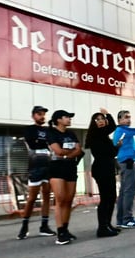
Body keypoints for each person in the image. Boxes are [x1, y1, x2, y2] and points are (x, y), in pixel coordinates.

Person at [17, 105, 57, 239]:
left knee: (47, 197)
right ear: (33, 116)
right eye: (39, 114)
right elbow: (33, 144)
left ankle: (44, 226)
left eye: (44, 114)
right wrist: (44, 142)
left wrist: (45, 142)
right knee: (32, 198)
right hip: (35, 167)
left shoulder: (49, 130)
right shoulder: (29, 129)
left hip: (48, 166)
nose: (42, 116)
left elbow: (53, 144)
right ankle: (24, 226)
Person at [47, 110, 85, 245]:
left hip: (70, 168)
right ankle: (60, 232)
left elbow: (79, 150)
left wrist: (66, 154)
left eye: (70, 117)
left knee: (69, 200)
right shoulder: (51, 133)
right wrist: (69, 153)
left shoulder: (71, 133)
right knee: (60, 199)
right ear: (58, 119)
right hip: (56, 169)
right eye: (66, 117)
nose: (69, 119)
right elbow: (57, 151)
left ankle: (65, 228)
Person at [85, 108, 121, 237]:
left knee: (111, 197)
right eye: (97, 119)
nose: (100, 121)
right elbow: (113, 126)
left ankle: (107, 224)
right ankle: (102, 228)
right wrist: (108, 114)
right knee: (105, 198)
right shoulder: (97, 134)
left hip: (108, 168)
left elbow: (112, 153)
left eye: (102, 119)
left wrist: (118, 146)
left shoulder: (104, 136)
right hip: (101, 169)